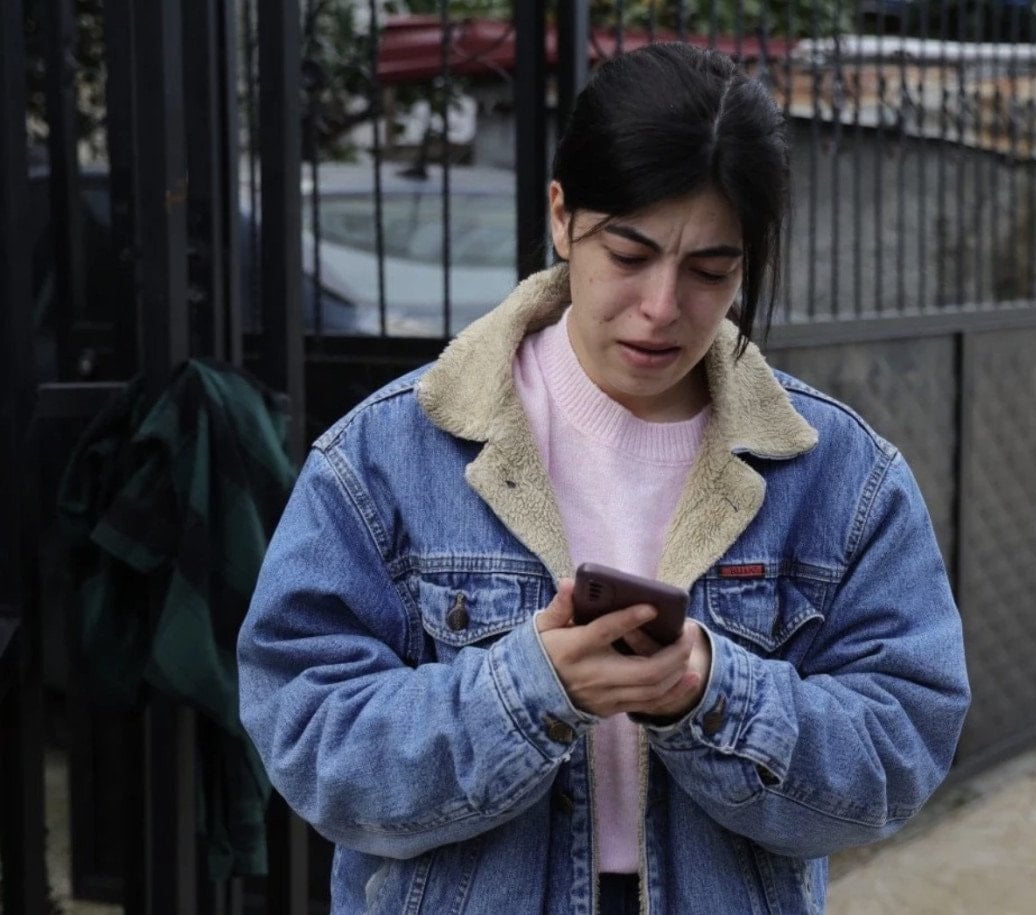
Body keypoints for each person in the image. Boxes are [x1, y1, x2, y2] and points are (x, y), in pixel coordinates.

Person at [237, 42, 970, 915]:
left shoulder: (839, 476)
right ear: (562, 217)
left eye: (711, 271)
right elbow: (308, 737)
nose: (662, 307)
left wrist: (712, 690)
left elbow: (900, 746)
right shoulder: (387, 455)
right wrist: (528, 694)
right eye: (628, 253)